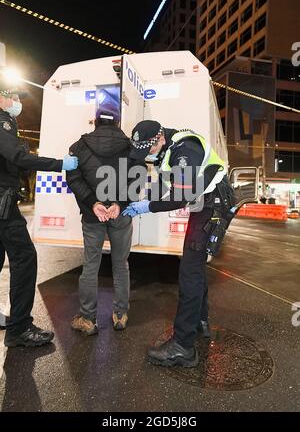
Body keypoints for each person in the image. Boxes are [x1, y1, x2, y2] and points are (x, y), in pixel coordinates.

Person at [123, 120, 234, 368]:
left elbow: (181, 196)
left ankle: (183, 347)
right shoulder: (169, 148)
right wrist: (146, 199)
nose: (147, 157)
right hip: (204, 204)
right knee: (194, 267)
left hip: (211, 206)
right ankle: (199, 322)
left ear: (160, 138)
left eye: (148, 150)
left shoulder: (185, 151)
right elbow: (167, 186)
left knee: (189, 272)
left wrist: (147, 207)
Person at [0, 85, 78, 347]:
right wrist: (59, 164)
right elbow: (19, 157)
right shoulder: (2, 122)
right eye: (12, 97)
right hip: (2, 204)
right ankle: (19, 328)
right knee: (25, 258)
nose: (17, 102)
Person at [66, 108, 133, 335]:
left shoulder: (79, 146)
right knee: (121, 264)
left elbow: (73, 178)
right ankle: (120, 315)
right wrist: (119, 204)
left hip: (92, 215)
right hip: (120, 214)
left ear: (95, 122)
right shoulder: (130, 146)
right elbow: (137, 176)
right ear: (116, 123)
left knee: (90, 266)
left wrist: (94, 203)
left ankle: (87, 319)